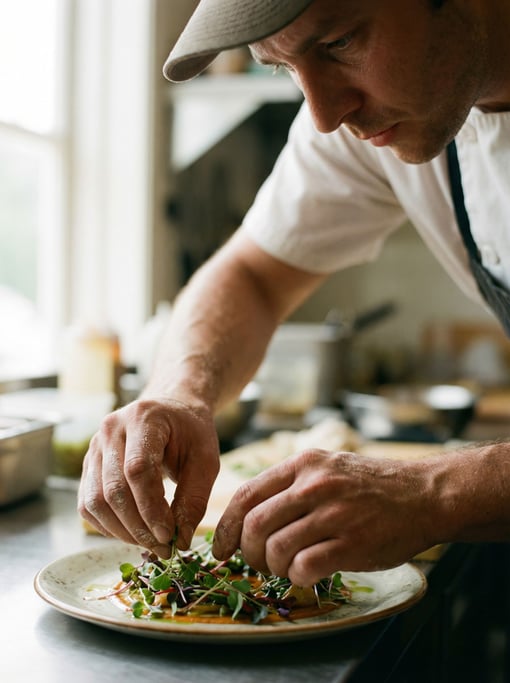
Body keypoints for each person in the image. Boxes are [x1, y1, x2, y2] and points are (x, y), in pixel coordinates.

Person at [78, 0, 510, 587]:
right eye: (282, 67)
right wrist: (181, 392)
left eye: (337, 43)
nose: (325, 114)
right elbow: (250, 274)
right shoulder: (372, 119)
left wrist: (435, 491)